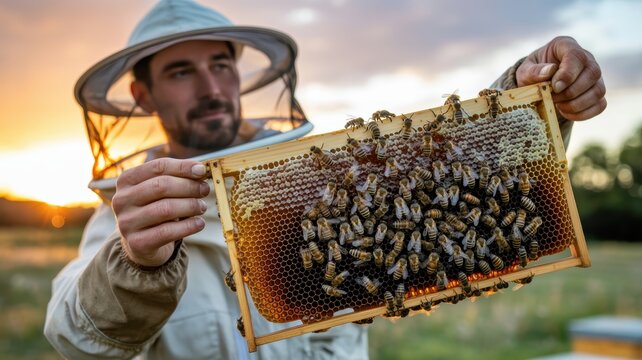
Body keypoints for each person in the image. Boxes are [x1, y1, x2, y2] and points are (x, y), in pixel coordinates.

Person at [44, 0, 606, 359]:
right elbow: (76, 335)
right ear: (143, 95)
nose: (211, 88)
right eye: (181, 72)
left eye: (220, 64)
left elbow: (447, 185)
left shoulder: (313, 180)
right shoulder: (127, 223)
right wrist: (138, 265)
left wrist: (535, 96)